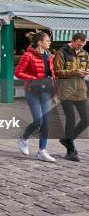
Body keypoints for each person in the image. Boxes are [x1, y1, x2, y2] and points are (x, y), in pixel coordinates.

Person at [15, 31, 57, 162]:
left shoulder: (49, 56)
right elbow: (18, 72)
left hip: (46, 91)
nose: (50, 43)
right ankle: (24, 138)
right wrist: (33, 79)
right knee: (38, 121)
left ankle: (42, 151)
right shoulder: (28, 55)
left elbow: (52, 75)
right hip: (32, 91)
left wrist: (55, 91)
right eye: (47, 41)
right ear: (40, 42)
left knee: (46, 122)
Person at [54, 32, 88, 162]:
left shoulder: (85, 54)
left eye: (82, 45)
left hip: (81, 91)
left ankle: (66, 140)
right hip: (66, 91)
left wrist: (85, 72)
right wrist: (75, 72)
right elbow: (57, 72)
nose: (80, 48)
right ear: (72, 41)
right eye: (78, 44)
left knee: (86, 119)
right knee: (71, 119)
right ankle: (70, 151)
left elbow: (86, 68)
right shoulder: (62, 53)